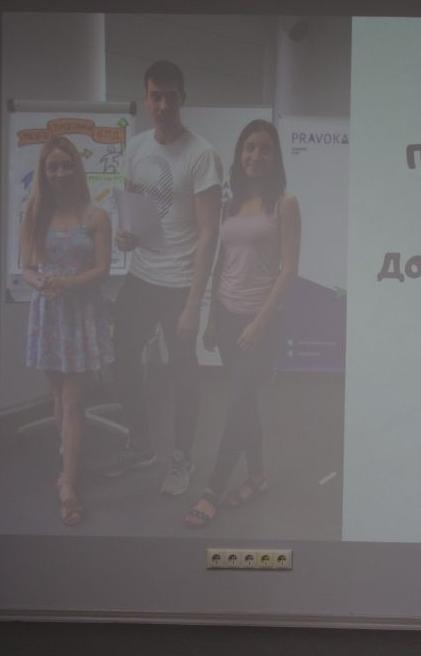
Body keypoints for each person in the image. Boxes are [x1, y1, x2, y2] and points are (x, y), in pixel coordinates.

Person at [105, 60, 223, 496]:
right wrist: (124, 235)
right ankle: (141, 443)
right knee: (120, 355)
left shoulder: (202, 155)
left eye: (170, 96)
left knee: (183, 372)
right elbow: (135, 212)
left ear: (182, 98)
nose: (162, 105)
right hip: (141, 275)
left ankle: (182, 457)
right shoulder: (136, 148)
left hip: (179, 283)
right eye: (155, 96)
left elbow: (209, 233)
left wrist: (194, 304)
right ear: (146, 96)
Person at [184, 120, 301, 528]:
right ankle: (257, 476)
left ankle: (212, 490)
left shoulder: (285, 203)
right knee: (245, 403)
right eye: (249, 147)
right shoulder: (229, 204)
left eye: (265, 148)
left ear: (275, 156)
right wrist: (212, 318)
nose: (256, 155)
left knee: (236, 404)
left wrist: (259, 324)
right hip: (227, 317)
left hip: (260, 324)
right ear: (240, 154)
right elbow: (221, 262)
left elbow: (289, 270)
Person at [20, 135, 114, 526]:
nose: (59, 173)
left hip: (81, 315)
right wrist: (39, 282)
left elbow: (102, 270)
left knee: (74, 401)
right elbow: (26, 267)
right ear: (44, 172)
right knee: (59, 396)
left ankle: (69, 485)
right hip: (48, 315)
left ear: (76, 168)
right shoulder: (34, 211)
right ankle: (69, 454)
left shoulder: (96, 216)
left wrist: (66, 283)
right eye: (52, 166)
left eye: (65, 165)